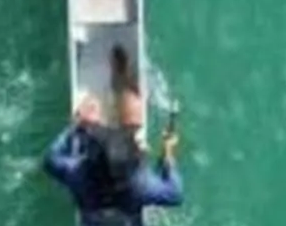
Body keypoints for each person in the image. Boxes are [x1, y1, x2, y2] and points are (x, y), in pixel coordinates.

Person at [43, 92, 182, 217]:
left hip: (92, 205)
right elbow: (175, 195)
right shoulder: (141, 184)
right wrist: (167, 151)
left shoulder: (77, 174)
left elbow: (50, 159)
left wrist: (76, 125)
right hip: (128, 201)